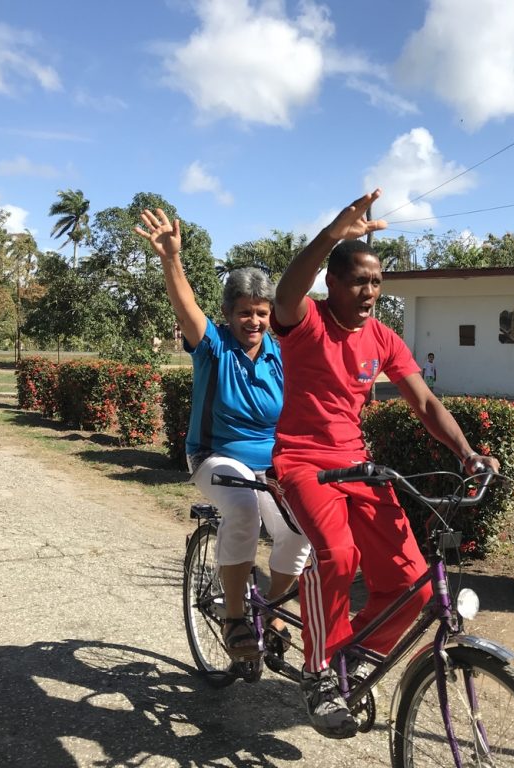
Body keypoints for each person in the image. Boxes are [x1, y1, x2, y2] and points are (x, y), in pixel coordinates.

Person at [270, 189, 500, 738]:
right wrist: (332, 234)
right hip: (302, 461)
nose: (369, 291)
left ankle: (356, 655)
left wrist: (467, 453)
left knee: (416, 585)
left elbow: (424, 403)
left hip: (357, 463)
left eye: (376, 282)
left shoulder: (383, 337)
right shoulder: (306, 321)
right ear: (334, 282)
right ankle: (319, 669)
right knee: (338, 557)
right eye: (358, 280)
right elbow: (286, 289)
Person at [135, 208, 311, 659]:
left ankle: (270, 608)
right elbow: (185, 306)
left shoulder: (281, 354)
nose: (254, 322)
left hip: (271, 463)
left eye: (262, 313)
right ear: (228, 315)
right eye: (244, 313)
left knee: (299, 529)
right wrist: (171, 259)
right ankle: (235, 616)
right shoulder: (213, 346)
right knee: (245, 508)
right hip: (215, 457)